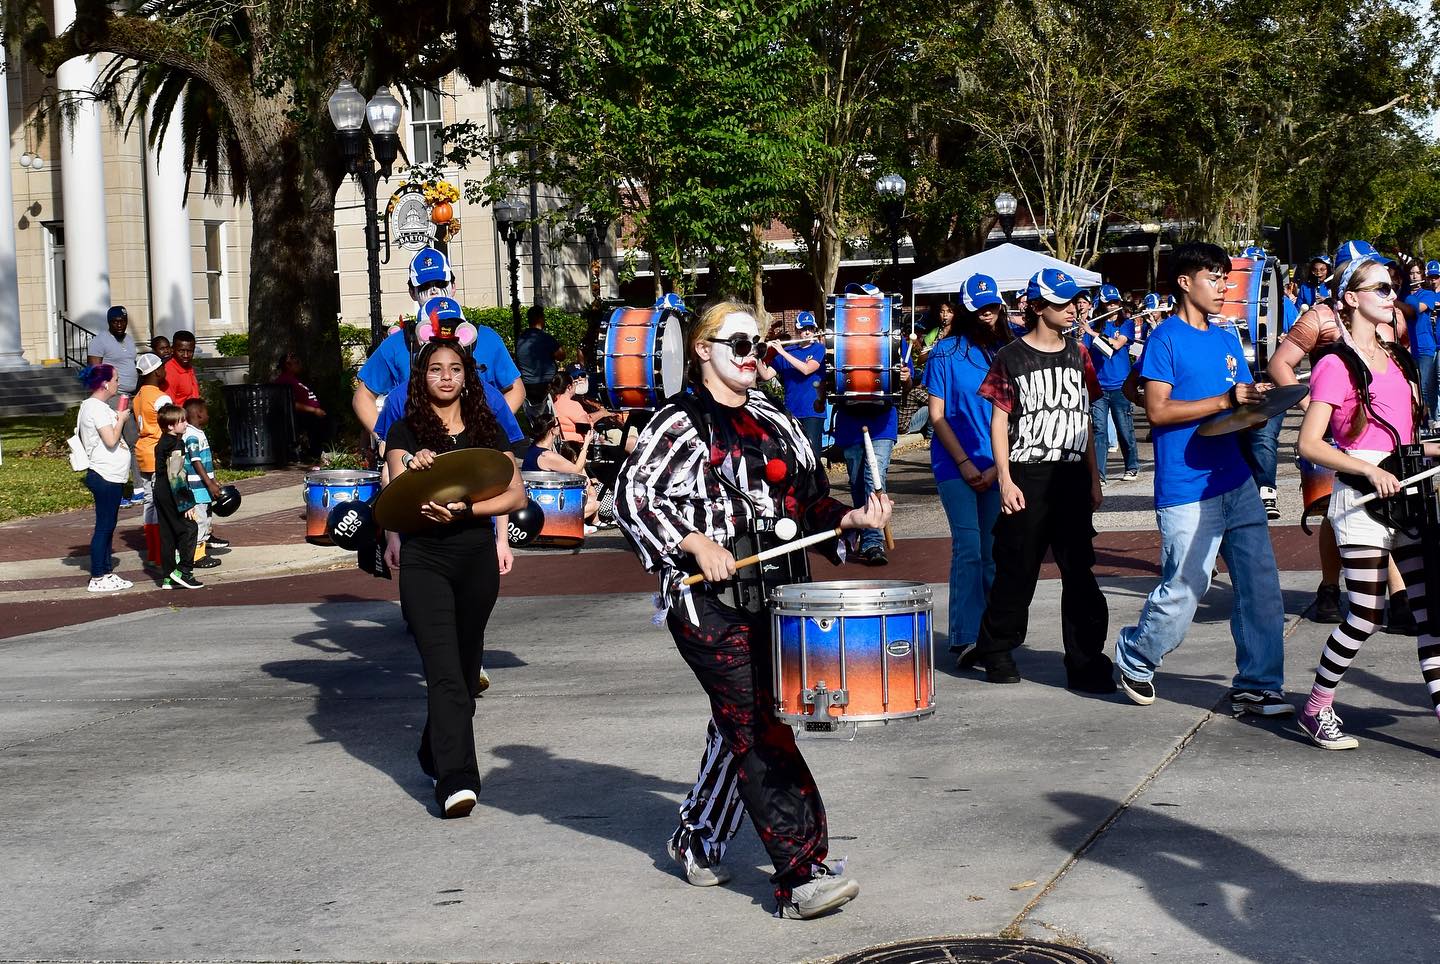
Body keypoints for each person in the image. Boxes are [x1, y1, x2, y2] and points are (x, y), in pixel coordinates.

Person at [614, 299, 890, 919]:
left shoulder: (778, 421)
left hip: (779, 599)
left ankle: (698, 837)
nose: (750, 355)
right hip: (708, 603)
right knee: (760, 727)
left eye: (757, 344)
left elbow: (812, 504)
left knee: (741, 722)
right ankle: (802, 873)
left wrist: (849, 518)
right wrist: (692, 541)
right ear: (702, 350)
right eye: (736, 344)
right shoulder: (676, 424)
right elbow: (631, 497)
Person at [1114, 242, 1290, 715]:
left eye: (1226, 278)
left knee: (1261, 589)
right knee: (1187, 587)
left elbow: (1239, 400)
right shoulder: (1165, 338)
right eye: (1214, 278)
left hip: (1235, 480)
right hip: (1186, 487)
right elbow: (1156, 409)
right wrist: (1226, 402)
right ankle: (1136, 652)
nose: (1224, 287)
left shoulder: (1227, 335)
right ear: (1185, 282)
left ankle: (1259, 683)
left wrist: (1258, 406)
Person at [1294, 254, 1440, 749]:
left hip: (1408, 493)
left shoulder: (1398, 359)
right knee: (1366, 615)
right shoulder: (1335, 363)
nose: (1390, 295)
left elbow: (1407, 439)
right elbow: (1310, 445)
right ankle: (1316, 706)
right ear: (1350, 299)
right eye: (1379, 288)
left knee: (1429, 612)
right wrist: (1368, 469)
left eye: (1392, 287)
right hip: (1361, 502)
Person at [382, 333, 529, 819]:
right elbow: (394, 500)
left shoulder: (489, 429)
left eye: (455, 369)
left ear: (468, 377)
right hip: (426, 561)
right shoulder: (405, 433)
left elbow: (516, 497)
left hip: (474, 559)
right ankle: (457, 778)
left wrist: (469, 509)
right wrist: (413, 470)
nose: (445, 376)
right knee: (443, 671)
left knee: (465, 675)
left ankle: (432, 750)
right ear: (420, 379)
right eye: (434, 369)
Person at [963, 268, 1111, 690]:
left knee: (1079, 571)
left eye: (1074, 302)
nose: (1073, 310)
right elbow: (999, 421)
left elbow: (1083, 419)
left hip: (1071, 477)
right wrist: (1006, 480)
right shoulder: (1010, 356)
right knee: (1018, 568)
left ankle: (1085, 659)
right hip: (1027, 473)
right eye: (1062, 303)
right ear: (1037, 307)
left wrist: (1094, 478)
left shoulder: (1079, 354)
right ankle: (997, 648)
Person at [1269, 239, 1413, 628]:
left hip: (1384, 435)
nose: (1388, 288)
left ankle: (1398, 595)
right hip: (1336, 432)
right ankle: (1331, 587)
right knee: (1335, 512)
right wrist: (1313, 407)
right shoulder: (1318, 317)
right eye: (1377, 280)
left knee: (1392, 512)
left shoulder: (1391, 317)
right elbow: (1280, 363)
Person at [353, 247, 525, 454]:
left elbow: (515, 389)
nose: (434, 290)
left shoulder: (486, 338)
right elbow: (363, 396)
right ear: (412, 291)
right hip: (417, 453)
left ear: (453, 285)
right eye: (425, 285)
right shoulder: (397, 345)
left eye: (440, 283)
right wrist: (387, 441)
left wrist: (485, 428)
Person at [924, 274, 1007, 664]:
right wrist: (964, 462)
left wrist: (997, 469)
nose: (988, 312)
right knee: (969, 547)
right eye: (979, 306)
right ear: (964, 310)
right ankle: (964, 634)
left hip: (998, 464)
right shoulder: (945, 352)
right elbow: (937, 416)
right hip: (954, 462)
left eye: (993, 304)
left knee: (993, 551)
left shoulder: (1009, 351)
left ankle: (994, 633)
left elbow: (1017, 414)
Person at [832, 283, 911, 566]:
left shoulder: (892, 339)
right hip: (850, 418)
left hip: (881, 421)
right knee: (856, 481)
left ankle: (873, 542)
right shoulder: (841, 338)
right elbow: (833, 377)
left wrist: (905, 378)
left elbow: (906, 383)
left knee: (873, 478)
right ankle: (864, 529)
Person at [75, 364, 134, 593]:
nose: (118, 384)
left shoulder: (94, 406)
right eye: (116, 379)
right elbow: (110, 440)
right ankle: (98, 575)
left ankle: (106, 572)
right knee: (104, 526)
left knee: (108, 526)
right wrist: (120, 419)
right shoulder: (96, 408)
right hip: (105, 474)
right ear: (105, 383)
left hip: (111, 474)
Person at [86, 306, 142, 506]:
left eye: (122, 321)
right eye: (115, 321)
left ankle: (138, 488)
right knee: (117, 442)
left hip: (130, 395)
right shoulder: (99, 341)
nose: (119, 324)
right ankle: (115, 490)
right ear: (109, 322)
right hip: (113, 396)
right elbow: (95, 371)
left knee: (134, 440)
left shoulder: (128, 340)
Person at [1085, 285, 1140, 484]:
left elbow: (1116, 346)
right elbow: (1085, 350)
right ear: (1102, 304)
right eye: (1108, 303)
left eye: (1115, 302)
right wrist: (1088, 331)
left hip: (1120, 385)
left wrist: (1091, 333)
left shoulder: (1125, 324)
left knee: (1124, 429)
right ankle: (1100, 475)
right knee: (1099, 431)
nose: (1112, 306)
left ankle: (1132, 467)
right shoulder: (1095, 324)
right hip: (1099, 386)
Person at [757, 311, 825, 461]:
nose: (807, 332)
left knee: (812, 456)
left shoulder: (818, 349)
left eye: (810, 329)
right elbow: (766, 375)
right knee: (795, 454)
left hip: (812, 410)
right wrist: (757, 356)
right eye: (803, 329)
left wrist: (781, 351)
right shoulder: (787, 351)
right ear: (797, 330)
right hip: (791, 410)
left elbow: (807, 369)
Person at [153, 404, 204, 590]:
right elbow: (176, 475)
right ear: (170, 426)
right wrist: (186, 503)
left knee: (167, 533)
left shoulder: (161, 443)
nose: (185, 423)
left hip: (159, 489)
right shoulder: (176, 444)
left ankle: (168, 577)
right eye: (181, 421)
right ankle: (183, 571)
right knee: (189, 528)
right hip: (172, 491)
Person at [132, 353, 171, 570]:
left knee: (149, 501)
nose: (165, 370)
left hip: (142, 451)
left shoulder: (138, 396)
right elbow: (170, 427)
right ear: (157, 372)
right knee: (162, 503)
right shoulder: (160, 397)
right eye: (163, 367)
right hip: (158, 452)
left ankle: (152, 551)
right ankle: (160, 553)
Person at [182, 398, 223, 569]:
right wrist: (209, 483)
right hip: (197, 487)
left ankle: (201, 552)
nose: (208, 415)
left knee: (206, 518)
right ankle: (196, 556)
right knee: (199, 521)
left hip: (204, 486)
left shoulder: (198, 432)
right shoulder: (191, 436)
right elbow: (196, 462)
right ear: (199, 414)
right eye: (206, 412)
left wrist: (213, 480)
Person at [274, 352, 332, 461]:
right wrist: (314, 410)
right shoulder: (284, 380)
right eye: (297, 362)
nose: (300, 364)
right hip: (302, 416)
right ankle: (317, 453)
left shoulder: (295, 379)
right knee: (319, 423)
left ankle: (321, 451)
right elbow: (289, 403)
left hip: (312, 414)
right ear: (288, 365)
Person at [1403, 259, 1440, 423]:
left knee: (1424, 386)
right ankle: (1429, 420)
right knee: (1414, 386)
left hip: (1425, 346)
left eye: (1417, 273)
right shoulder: (1402, 295)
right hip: (1409, 348)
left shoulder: (1428, 294)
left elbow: (1416, 309)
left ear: (1422, 276)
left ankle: (1428, 420)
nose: (1414, 276)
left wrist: (1407, 297)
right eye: (1411, 273)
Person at [515, 304, 565, 407]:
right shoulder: (546, 338)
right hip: (546, 384)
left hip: (527, 385)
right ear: (540, 318)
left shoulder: (521, 340)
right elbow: (561, 356)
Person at [550, 365, 593, 445]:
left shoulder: (552, 404)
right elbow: (586, 431)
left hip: (560, 445)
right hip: (577, 446)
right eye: (574, 383)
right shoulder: (572, 405)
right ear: (569, 387)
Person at [163, 331, 201, 410]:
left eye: (190, 351)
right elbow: (169, 408)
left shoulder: (188, 366)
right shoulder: (169, 371)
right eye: (181, 351)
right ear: (172, 349)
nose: (186, 355)